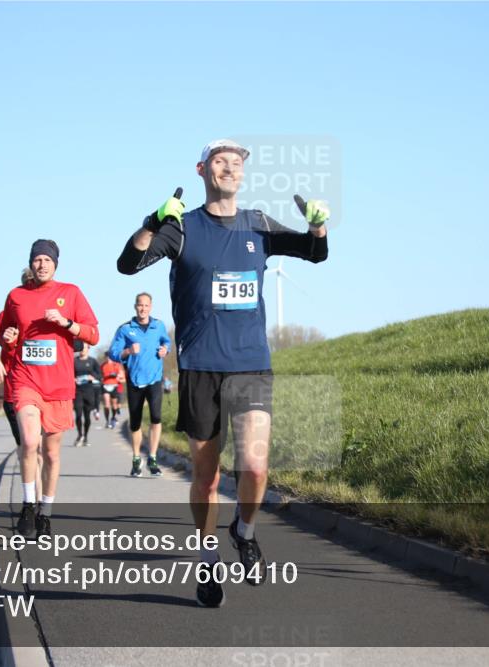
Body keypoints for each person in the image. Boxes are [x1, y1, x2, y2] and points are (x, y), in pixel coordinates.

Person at [116, 139, 329, 606]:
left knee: (254, 467)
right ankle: (208, 555)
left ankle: (245, 531)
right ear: (202, 170)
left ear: (242, 173)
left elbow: (315, 254)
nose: (229, 169)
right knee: (207, 478)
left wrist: (318, 228)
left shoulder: (258, 224)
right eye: (220, 162)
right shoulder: (183, 229)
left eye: (236, 163)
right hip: (200, 368)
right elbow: (128, 264)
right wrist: (153, 223)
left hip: (251, 364)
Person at [0, 239, 99, 539]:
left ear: (56, 263)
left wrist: (67, 323)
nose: (41, 264)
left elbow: (93, 333)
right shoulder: (16, 296)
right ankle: (28, 504)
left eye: (47, 259)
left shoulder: (70, 293)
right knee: (30, 442)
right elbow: (7, 337)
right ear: (30, 263)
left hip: (57, 384)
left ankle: (46, 511)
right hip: (25, 379)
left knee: (52, 454)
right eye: (37, 260)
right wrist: (8, 339)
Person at [109, 292, 171, 477]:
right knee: (135, 423)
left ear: (150, 307)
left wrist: (165, 350)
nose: (143, 308)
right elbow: (113, 353)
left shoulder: (158, 325)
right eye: (140, 305)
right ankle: (136, 458)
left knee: (156, 417)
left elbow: (167, 342)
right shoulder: (125, 329)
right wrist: (128, 350)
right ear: (135, 306)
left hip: (155, 378)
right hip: (135, 380)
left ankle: (152, 458)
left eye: (146, 305)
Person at [0, 268, 34, 447]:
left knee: (41, 447)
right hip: (14, 391)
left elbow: (77, 343)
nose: (30, 284)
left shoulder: (49, 314)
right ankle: (31, 476)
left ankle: (39, 475)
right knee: (25, 444)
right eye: (26, 281)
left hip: (43, 389)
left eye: (33, 281)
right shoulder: (6, 315)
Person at [72, 340, 102, 446]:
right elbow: (69, 374)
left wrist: (93, 377)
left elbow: (99, 375)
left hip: (89, 391)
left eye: (84, 348)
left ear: (88, 348)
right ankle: (80, 434)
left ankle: (86, 437)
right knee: (78, 415)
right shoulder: (74, 361)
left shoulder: (93, 361)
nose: (82, 350)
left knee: (87, 416)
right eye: (80, 348)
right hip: (77, 391)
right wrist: (73, 379)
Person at [100, 353, 125, 428]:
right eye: (106, 357)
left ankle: (113, 417)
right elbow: (99, 375)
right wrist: (101, 379)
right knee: (107, 404)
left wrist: (119, 378)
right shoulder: (102, 366)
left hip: (114, 386)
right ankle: (107, 421)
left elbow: (123, 379)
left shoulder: (117, 365)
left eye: (109, 357)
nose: (108, 358)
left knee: (114, 405)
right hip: (105, 385)